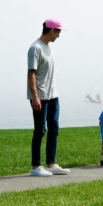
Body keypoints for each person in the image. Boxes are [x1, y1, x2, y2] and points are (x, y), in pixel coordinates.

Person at [28, 18, 70, 177]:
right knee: (40, 130)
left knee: (54, 128)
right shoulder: (35, 48)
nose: (59, 35)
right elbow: (31, 73)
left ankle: (51, 164)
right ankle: (35, 166)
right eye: (58, 32)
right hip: (41, 96)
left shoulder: (49, 48)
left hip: (53, 94)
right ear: (52, 30)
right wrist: (35, 97)